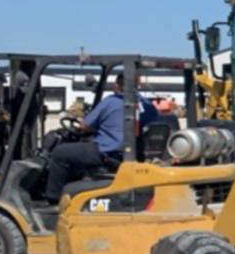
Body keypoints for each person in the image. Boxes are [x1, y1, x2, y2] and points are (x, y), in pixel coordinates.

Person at [42, 74, 158, 202]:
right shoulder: (147, 105)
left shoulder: (111, 101)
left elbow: (84, 125)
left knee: (60, 152)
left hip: (109, 152)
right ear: (137, 85)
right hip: (133, 152)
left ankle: (52, 199)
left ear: (116, 85)